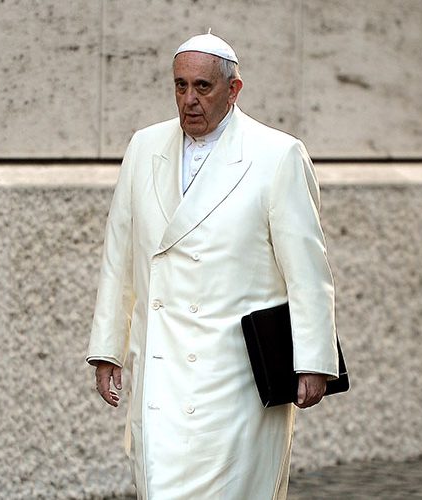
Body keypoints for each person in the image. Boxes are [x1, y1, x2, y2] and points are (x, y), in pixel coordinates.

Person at [86, 32, 339, 499]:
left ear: (234, 89)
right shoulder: (144, 147)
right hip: (160, 374)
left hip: (235, 383)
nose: (189, 100)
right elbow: (118, 253)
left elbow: (308, 270)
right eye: (180, 86)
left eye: (202, 87)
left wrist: (314, 361)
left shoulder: (276, 155)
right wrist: (108, 347)